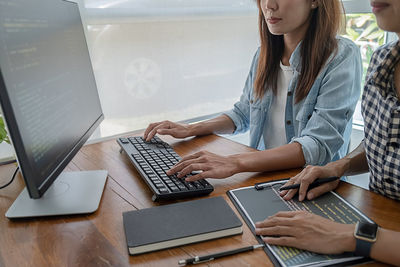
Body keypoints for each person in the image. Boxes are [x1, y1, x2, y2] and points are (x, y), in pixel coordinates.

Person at [144, 0, 362, 182]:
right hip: (264, 178)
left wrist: (234, 162)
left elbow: (317, 144)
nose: (268, 5)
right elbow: (243, 113)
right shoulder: (264, 55)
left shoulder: (341, 57)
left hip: (310, 186)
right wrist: (191, 128)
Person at [254, 0, 400, 265]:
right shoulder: (383, 61)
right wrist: (338, 166)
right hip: (379, 220)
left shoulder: (342, 54)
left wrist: (351, 236)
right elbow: (382, 144)